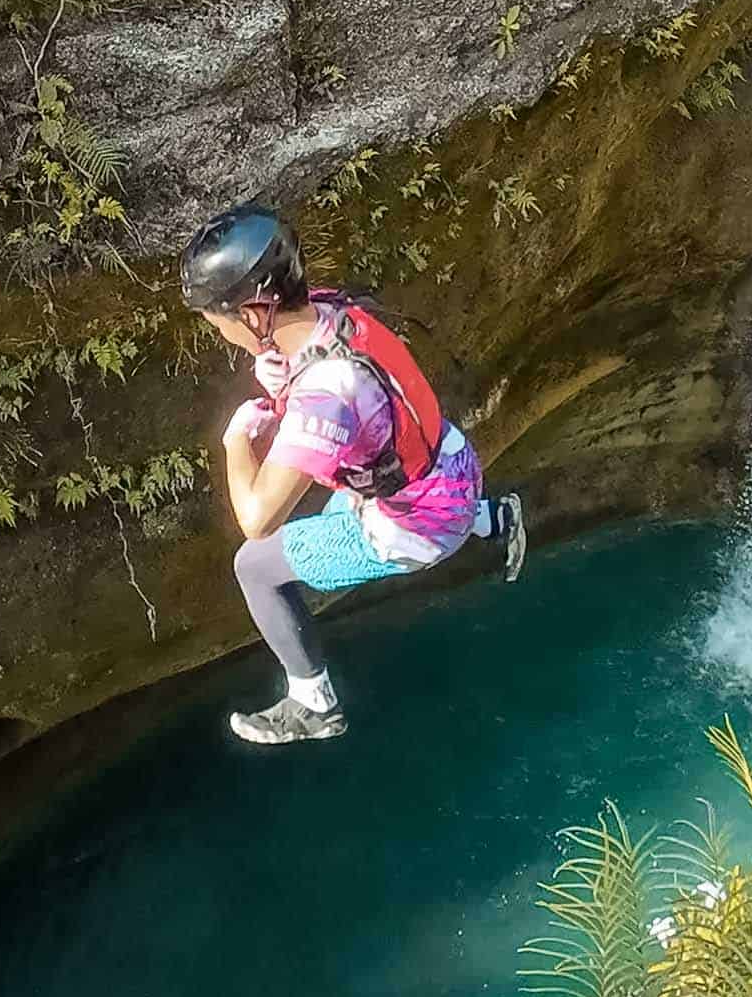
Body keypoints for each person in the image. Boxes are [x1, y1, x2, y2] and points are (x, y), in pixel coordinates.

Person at [180, 203, 526, 745]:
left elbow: (256, 519)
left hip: (418, 527)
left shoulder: (327, 396)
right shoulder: (331, 312)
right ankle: (493, 519)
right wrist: (275, 372)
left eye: (219, 323)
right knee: (340, 502)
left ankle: (312, 702)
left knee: (254, 565)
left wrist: (233, 443)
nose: (222, 334)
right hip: (454, 466)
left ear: (251, 313)